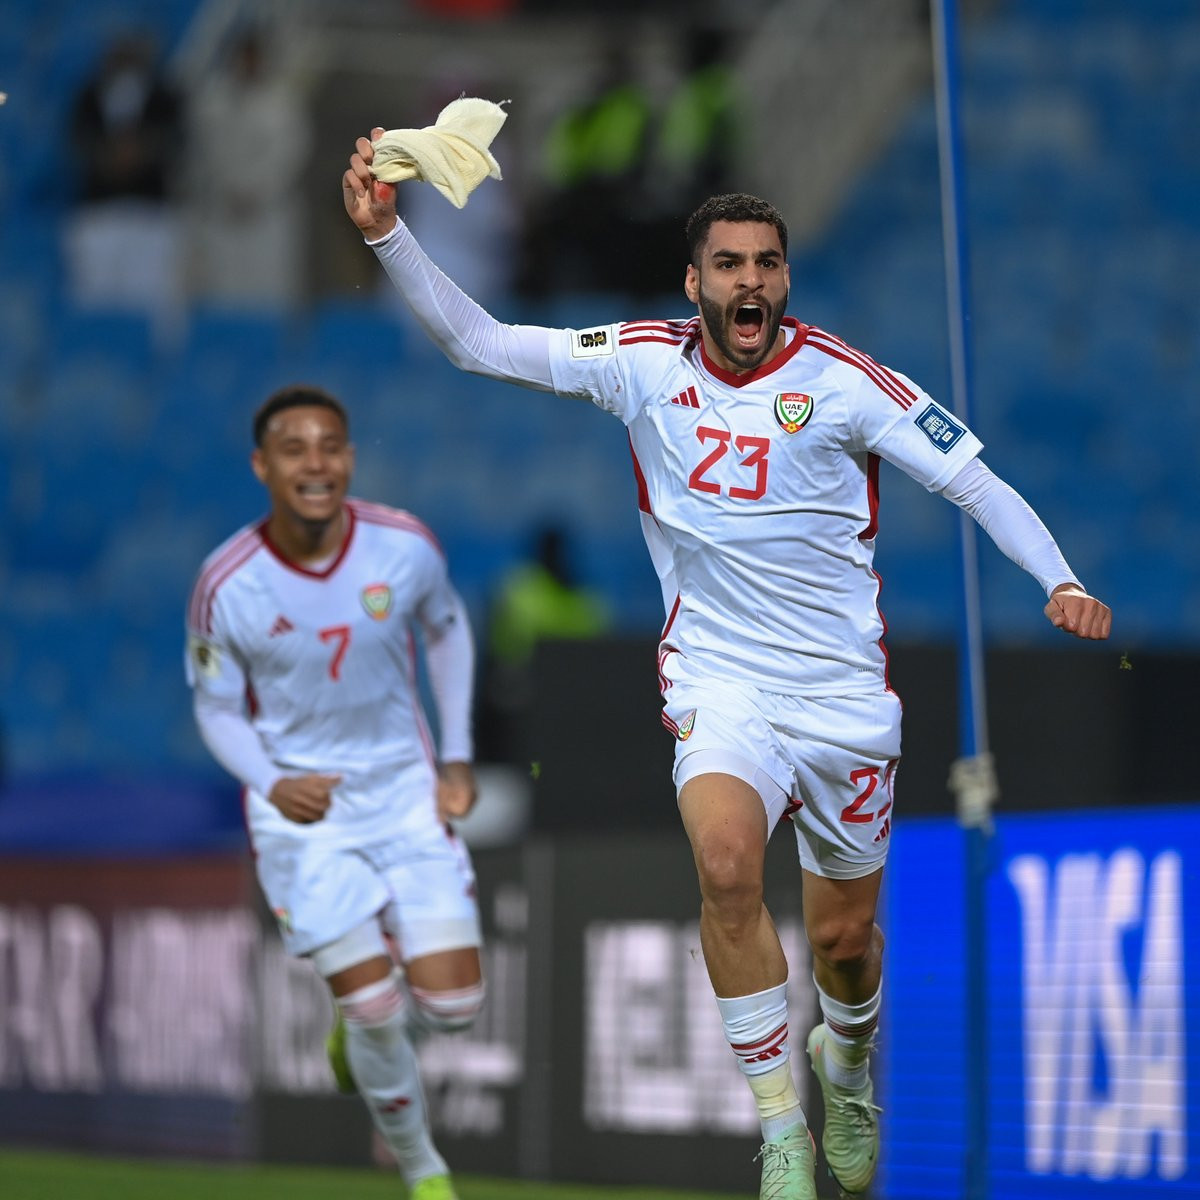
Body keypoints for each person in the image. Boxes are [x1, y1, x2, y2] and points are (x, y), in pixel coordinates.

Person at [342, 138, 1112, 1198]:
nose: (751, 281)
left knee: (846, 943)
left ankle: (847, 1063)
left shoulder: (845, 382)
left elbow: (973, 481)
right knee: (726, 865)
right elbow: (481, 342)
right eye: (730, 263)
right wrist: (389, 234)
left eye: (768, 263)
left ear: (785, 279)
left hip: (842, 699)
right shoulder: (640, 362)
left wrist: (1058, 578)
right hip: (720, 683)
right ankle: (782, 1128)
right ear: (694, 282)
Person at [185, 384, 483, 1200]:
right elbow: (215, 707)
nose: (315, 464)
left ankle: (364, 1040)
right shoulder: (227, 582)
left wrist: (457, 758)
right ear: (262, 466)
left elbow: (447, 632)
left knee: (454, 1007)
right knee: (377, 1006)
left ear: (349, 458)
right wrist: (272, 782)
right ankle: (425, 1173)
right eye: (294, 449)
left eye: (330, 447)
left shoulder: (404, 546)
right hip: (302, 812)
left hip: (403, 793)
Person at [184, 26, 311, 310]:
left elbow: (290, 156)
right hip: (223, 210)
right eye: (242, 58)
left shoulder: (283, 104)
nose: (247, 65)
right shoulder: (211, 102)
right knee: (223, 289)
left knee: (268, 291)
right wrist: (230, 190)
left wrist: (257, 192)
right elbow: (206, 154)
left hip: (267, 212)